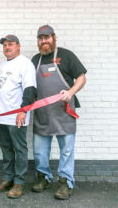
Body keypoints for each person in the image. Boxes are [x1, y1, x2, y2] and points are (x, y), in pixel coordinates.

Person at [31, 25, 87, 200]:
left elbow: (82, 77)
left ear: (53, 38)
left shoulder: (66, 55)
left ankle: (65, 182)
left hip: (64, 113)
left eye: (47, 37)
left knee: (66, 151)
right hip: (42, 114)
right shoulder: (35, 60)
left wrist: (71, 92)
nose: (44, 41)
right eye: (40, 38)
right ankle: (44, 178)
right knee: (40, 151)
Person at [0, 35, 37, 199]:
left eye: (10, 44)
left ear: (18, 46)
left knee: (19, 149)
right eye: (4, 45)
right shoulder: (3, 64)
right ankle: (8, 178)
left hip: (16, 116)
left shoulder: (25, 64)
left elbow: (30, 88)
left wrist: (23, 110)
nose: (7, 47)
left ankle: (19, 182)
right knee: (6, 149)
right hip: (1, 117)